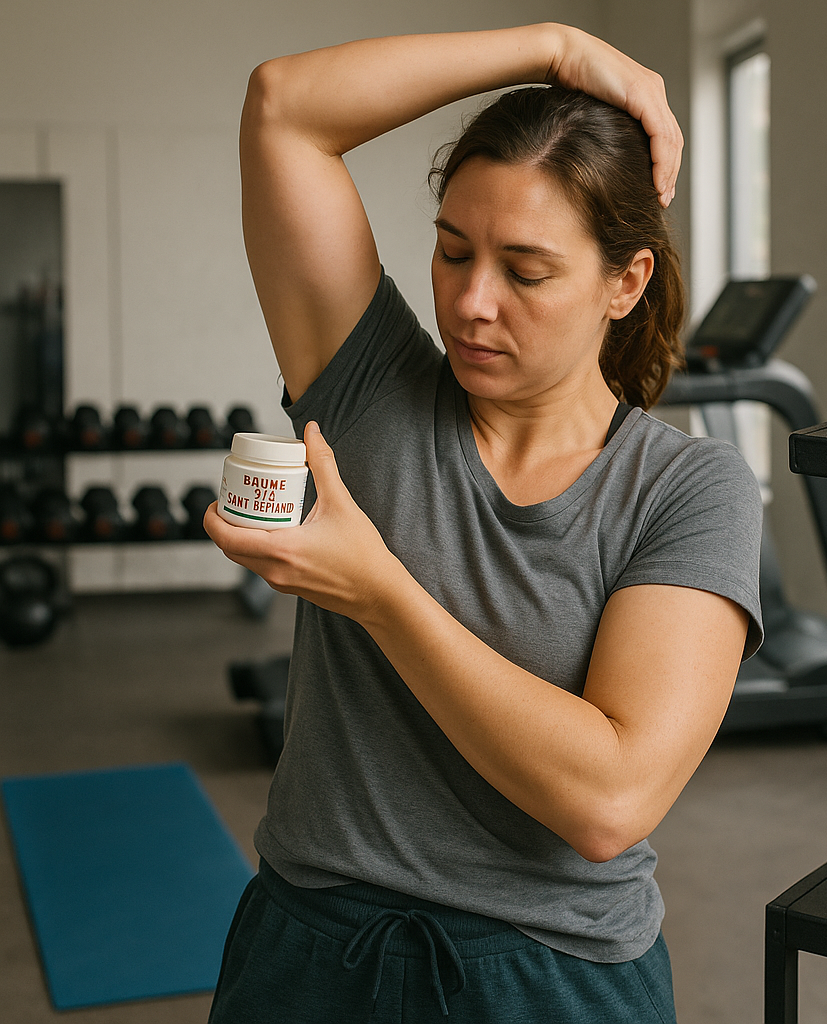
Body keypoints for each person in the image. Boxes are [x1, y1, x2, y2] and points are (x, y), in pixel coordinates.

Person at [203, 22, 763, 1024]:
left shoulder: (686, 490)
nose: (471, 302)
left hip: (547, 980)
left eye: (526, 269)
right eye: (453, 251)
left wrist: (379, 593)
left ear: (623, 282)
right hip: (311, 954)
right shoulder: (369, 388)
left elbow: (607, 798)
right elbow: (284, 110)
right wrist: (552, 48)